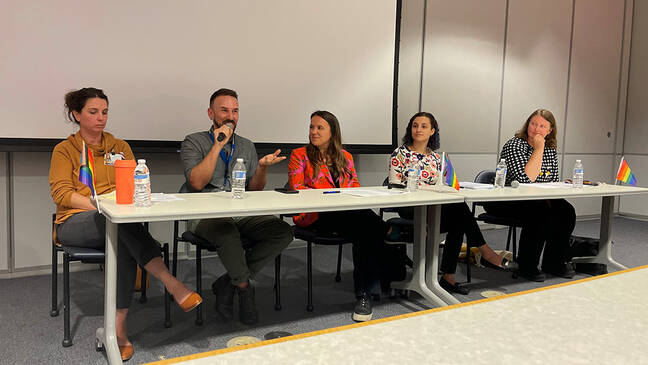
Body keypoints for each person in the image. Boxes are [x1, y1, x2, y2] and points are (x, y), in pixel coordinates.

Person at [49, 88, 201, 362]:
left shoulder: (119, 147)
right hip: (75, 221)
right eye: (93, 112)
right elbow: (62, 194)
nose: (101, 118)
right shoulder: (65, 150)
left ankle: (118, 328)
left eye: (105, 112)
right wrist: (102, 206)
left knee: (120, 232)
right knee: (115, 221)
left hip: (116, 222)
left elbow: (132, 186)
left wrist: (123, 205)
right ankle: (171, 282)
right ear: (76, 114)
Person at [180, 88, 293, 325]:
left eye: (235, 111)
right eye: (224, 110)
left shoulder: (247, 146)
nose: (230, 116)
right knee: (225, 231)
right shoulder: (194, 141)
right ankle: (244, 289)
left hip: (240, 209)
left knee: (282, 231)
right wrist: (218, 144)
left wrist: (262, 167)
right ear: (211, 113)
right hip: (204, 211)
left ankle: (227, 283)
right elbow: (197, 183)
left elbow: (255, 190)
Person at [389, 112, 517, 295]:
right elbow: (394, 185)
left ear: (432, 131)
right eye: (415, 125)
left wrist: (443, 189)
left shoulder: (439, 158)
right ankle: (485, 252)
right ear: (410, 129)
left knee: (458, 218)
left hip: (437, 208)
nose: (418, 129)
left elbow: (451, 186)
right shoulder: (400, 154)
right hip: (411, 207)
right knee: (460, 211)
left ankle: (447, 277)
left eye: (424, 126)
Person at [288, 110, 394, 322]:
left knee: (363, 230)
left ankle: (363, 295)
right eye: (311, 127)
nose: (313, 131)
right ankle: (389, 238)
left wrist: (344, 197)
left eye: (319, 127)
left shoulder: (345, 157)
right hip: (316, 216)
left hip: (347, 216)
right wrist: (332, 196)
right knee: (368, 225)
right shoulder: (300, 155)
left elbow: (354, 187)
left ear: (332, 131)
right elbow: (297, 189)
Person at [484, 109, 576, 282]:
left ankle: (553, 263)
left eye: (542, 126)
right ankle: (527, 266)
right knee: (540, 211)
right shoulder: (514, 145)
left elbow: (551, 180)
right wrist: (538, 149)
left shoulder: (550, 149)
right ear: (527, 125)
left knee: (566, 210)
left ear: (550, 130)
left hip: (535, 199)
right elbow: (526, 179)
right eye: (533, 124)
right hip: (505, 199)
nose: (536, 129)